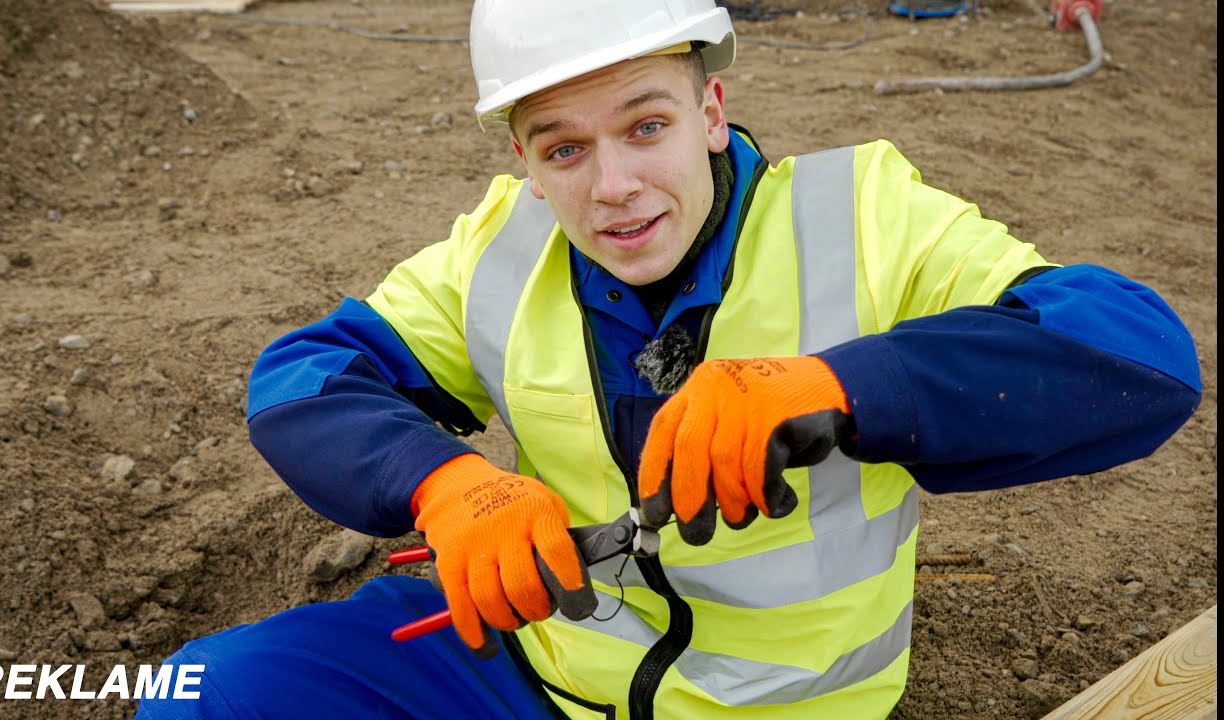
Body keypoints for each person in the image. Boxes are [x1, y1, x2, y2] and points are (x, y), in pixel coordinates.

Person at [137, 1, 1201, 718]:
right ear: (524, 160)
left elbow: (1134, 354)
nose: (610, 187)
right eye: (563, 147)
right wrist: (448, 484)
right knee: (204, 691)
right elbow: (304, 376)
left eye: (644, 126)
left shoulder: (863, 220)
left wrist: (841, 385)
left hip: (779, 709)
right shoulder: (501, 252)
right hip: (545, 672)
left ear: (708, 111)